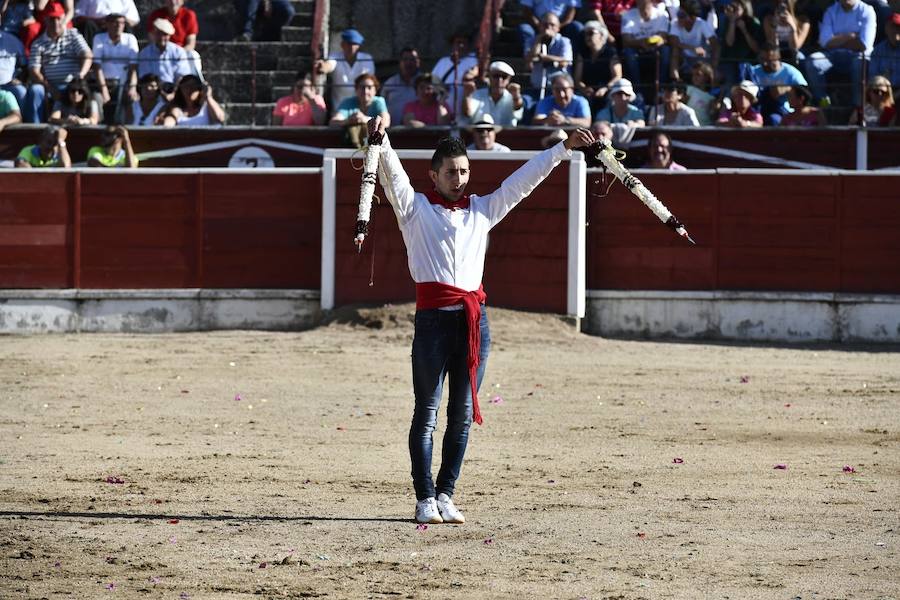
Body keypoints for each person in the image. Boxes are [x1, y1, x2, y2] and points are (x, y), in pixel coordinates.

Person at [364, 113, 595, 525]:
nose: (460, 178)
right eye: (452, 172)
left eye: (465, 170)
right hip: (434, 321)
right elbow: (393, 175)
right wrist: (380, 141)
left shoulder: (481, 210)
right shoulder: (414, 208)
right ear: (433, 175)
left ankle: (447, 492)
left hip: (474, 324)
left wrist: (562, 150)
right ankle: (424, 497)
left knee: (462, 414)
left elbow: (521, 183)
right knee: (428, 412)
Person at [27, 2, 91, 122]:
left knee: (82, 91)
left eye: (58, 18)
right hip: (50, 85)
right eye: (52, 19)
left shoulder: (73, 34)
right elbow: (33, 70)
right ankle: (35, 128)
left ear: (63, 18)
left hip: (73, 84)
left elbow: (87, 54)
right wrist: (49, 87)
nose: (56, 23)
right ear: (46, 20)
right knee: (35, 90)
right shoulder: (38, 43)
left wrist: (81, 74)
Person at [805, 0, 876, 106]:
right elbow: (824, 41)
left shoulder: (867, 11)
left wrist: (835, 40)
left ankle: (858, 107)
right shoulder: (831, 11)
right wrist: (851, 36)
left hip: (856, 56)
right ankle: (824, 103)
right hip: (833, 56)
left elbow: (864, 44)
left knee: (859, 63)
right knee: (813, 60)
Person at [91, 12, 138, 121]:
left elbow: (133, 68)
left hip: (124, 83)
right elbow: (97, 67)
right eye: (115, 23)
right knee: (96, 99)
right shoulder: (98, 38)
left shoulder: (131, 39)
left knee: (132, 98)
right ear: (107, 24)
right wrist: (104, 89)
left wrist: (133, 87)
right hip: (103, 83)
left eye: (122, 23)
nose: (118, 26)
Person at [315, 28, 375, 111]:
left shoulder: (367, 59)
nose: (352, 47)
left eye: (355, 44)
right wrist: (322, 67)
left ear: (359, 46)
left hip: (362, 110)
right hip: (339, 110)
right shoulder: (335, 57)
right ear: (342, 45)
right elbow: (330, 65)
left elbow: (369, 81)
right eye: (349, 44)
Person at [620, 0, 671, 95]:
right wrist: (641, 43)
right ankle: (637, 90)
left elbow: (663, 37)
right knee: (628, 52)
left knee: (666, 50)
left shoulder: (662, 15)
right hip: (637, 50)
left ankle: (661, 88)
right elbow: (625, 41)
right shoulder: (627, 15)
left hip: (655, 50)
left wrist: (654, 43)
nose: (641, 3)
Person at [749, 43, 807, 124]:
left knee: (773, 120)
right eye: (762, 59)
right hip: (757, 110)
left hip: (782, 112)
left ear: (778, 58)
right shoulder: (753, 72)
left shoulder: (791, 73)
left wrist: (788, 88)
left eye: (769, 60)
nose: (765, 63)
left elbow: (805, 92)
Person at [573, 20, 622, 115]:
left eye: (591, 33)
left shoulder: (611, 53)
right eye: (586, 34)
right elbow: (577, 79)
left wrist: (605, 88)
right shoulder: (582, 54)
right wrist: (584, 89)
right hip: (589, 90)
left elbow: (617, 76)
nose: (587, 37)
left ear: (601, 35)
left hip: (607, 89)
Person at [431, 29, 480, 120]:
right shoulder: (443, 62)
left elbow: (477, 75)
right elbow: (432, 82)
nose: (461, 45)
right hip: (445, 112)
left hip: (467, 112)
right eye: (458, 42)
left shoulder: (474, 61)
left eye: (464, 42)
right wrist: (442, 89)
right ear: (452, 44)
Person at [329, 72, 389, 147]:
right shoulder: (348, 102)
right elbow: (333, 122)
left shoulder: (379, 101)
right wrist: (349, 121)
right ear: (356, 90)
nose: (365, 91)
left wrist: (365, 119)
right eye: (362, 87)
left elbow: (386, 122)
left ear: (375, 90)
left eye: (369, 88)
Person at [147, 0, 202, 78]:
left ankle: (196, 83)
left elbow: (191, 43)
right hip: (160, 52)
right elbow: (152, 40)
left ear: (182, 1)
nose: (173, 2)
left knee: (193, 55)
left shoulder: (189, 15)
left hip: (181, 53)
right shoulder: (156, 15)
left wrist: (178, 54)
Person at [462, 60, 525, 126]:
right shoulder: (477, 94)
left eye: (504, 77)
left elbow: (518, 109)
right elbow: (468, 113)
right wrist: (467, 96)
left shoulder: (513, 97)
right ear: (489, 77)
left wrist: (516, 96)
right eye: (496, 76)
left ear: (508, 80)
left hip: (506, 135)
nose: (499, 80)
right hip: (481, 134)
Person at [526, 12, 573, 98]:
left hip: (558, 90)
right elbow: (529, 59)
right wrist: (539, 40)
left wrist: (544, 58)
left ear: (558, 28)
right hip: (536, 87)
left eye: (552, 25)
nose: (548, 27)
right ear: (539, 26)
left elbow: (565, 61)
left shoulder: (564, 42)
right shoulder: (531, 41)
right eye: (545, 24)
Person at [668, 0, 719, 80]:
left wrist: (714, 67)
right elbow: (673, 42)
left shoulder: (701, 24)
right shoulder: (675, 23)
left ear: (692, 17)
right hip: (684, 59)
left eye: (682, 15)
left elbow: (715, 44)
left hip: (701, 60)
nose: (678, 18)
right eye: (679, 14)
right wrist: (692, 48)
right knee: (675, 50)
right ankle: (675, 78)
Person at [717, 0, 763, 88]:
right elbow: (729, 42)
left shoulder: (753, 22)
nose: (733, 11)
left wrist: (744, 30)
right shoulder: (728, 21)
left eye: (736, 8)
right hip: (731, 61)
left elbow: (756, 48)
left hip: (748, 61)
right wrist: (732, 22)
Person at [137, 18, 191, 87]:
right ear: (154, 34)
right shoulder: (144, 53)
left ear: (169, 36)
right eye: (159, 33)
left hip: (174, 90)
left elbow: (182, 76)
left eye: (165, 34)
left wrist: (174, 92)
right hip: (152, 90)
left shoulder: (179, 52)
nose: (162, 37)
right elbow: (145, 77)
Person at [160, 74, 225, 126]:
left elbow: (220, 118)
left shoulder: (207, 107)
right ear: (181, 90)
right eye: (186, 87)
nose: (190, 90)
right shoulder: (177, 110)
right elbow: (169, 123)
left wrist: (208, 96)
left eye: (194, 86)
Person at [518, 0, 584, 51]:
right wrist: (540, 26)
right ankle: (529, 56)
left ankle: (573, 58)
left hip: (562, 26)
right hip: (537, 25)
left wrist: (556, 27)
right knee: (524, 28)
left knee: (577, 27)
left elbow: (571, 13)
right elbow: (527, 11)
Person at [762, 0, 811, 66]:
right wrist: (774, 26)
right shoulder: (768, 20)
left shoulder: (803, 21)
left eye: (785, 2)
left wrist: (792, 26)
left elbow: (795, 47)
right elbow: (771, 44)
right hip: (777, 48)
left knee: (799, 57)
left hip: (794, 50)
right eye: (779, 2)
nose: (782, 5)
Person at [382, 47, 421, 125]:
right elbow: (381, 107)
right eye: (405, 59)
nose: (408, 63)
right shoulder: (390, 83)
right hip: (392, 131)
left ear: (418, 62)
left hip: (420, 131)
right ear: (400, 62)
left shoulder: (426, 83)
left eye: (412, 59)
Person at [72, 0, 138, 45]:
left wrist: (116, 20)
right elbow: (78, 17)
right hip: (95, 28)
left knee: (126, 26)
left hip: (118, 28)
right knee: (87, 25)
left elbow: (134, 20)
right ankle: (89, 58)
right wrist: (99, 20)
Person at [0, 14, 28, 118]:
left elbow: (25, 65)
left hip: (8, 85)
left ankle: (23, 127)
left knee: (21, 91)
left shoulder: (13, 41)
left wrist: (20, 79)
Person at [869, 13, 900, 85]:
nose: (895, 30)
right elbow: (873, 78)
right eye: (892, 27)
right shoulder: (877, 50)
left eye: (898, 27)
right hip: (883, 92)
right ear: (886, 29)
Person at [684, 60, 719, 124]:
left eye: (698, 74)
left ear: (706, 77)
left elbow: (713, 114)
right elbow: (684, 105)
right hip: (689, 124)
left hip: (704, 126)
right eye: (693, 75)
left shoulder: (712, 97)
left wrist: (714, 109)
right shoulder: (690, 89)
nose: (694, 77)